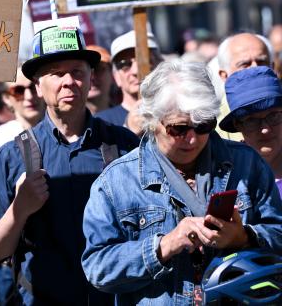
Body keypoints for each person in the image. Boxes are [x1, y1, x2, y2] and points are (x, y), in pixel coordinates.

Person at [82, 60, 282, 305]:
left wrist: (244, 237)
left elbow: (278, 233)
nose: (192, 139)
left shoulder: (246, 163)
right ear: (152, 121)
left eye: (203, 126)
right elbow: (97, 268)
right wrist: (165, 245)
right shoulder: (117, 181)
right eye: (179, 129)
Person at [0, 24, 140, 305]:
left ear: (90, 79)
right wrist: (20, 209)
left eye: (77, 71)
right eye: (56, 73)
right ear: (38, 86)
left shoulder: (124, 145)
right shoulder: (12, 155)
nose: (68, 81)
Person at [219, 66, 282, 195]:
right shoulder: (224, 179)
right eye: (252, 121)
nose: (265, 129)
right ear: (237, 124)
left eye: (273, 116)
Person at [0, 68, 44, 174]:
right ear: (6, 98)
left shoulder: (63, 131)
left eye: (33, 87)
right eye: (18, 91)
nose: (29, 96)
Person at [96, 30, 162, 128]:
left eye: (145, 62)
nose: (136, 71)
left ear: (159, 66)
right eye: (125, 65)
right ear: (116, 76)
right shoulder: (102, 123)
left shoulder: (177, 115)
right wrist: (129, 129)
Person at [215, 32, 273, 140]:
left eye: (261, 62)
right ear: (224, 75)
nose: (255, 68)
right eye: (244, 64)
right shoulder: (213, 133)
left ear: (272, 67)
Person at [85, 45, 116, 115]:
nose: (92, 77)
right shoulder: (66, 122)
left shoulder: (128, 118)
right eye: (86, 71)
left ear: (112, 74)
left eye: (98, 69)